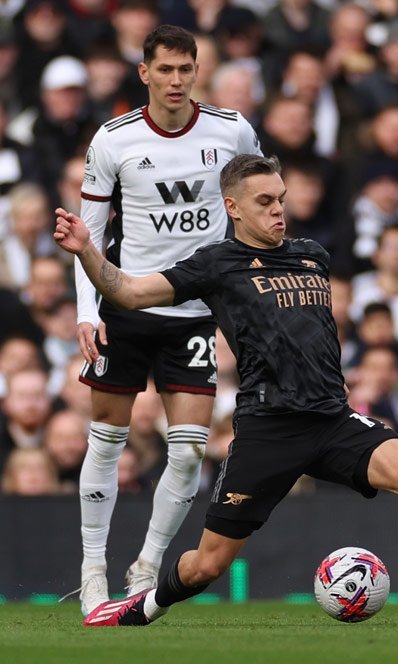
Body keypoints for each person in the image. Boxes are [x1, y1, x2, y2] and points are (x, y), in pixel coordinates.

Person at [55, 154, 398, 628]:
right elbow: (130, 292)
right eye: (265, 201)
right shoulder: (217, 264)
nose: (279, 209)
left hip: (331, 418)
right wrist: (87, 251)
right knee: (208, 565)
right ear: (232, 207)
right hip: (269, 429)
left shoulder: (312, 254)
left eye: (281, 198)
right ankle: (142, 608)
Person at [72, 25, 262, 616]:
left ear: (197, 70)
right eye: (167, 70)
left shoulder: (232, 131)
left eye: (187, 69)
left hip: (194, 312)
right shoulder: (114, 140)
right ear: (144, 73)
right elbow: (89, 235)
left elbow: (258, 204)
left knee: (187, 451)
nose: (177, 80)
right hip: (127, 305)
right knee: (107, 439)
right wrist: (86, 311)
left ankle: (148, 566)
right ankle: (93, 566)